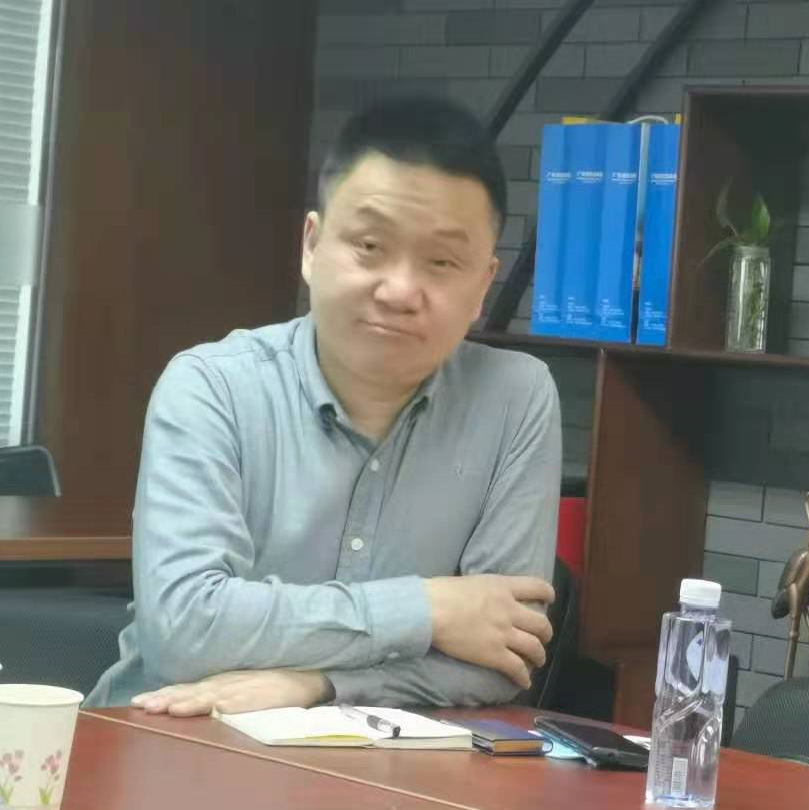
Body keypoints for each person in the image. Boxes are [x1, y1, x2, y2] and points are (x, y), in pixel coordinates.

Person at [84, 96, 562, 716]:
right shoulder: (211, 386)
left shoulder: (516, 398)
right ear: (311, 246)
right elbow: (184, 630)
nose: (400, 290)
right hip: (170, 736)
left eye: (442, 262)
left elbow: (504, 656)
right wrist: (429, 608)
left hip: (388, 760)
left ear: (482, 287)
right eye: (370, 246)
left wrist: (316, 685)